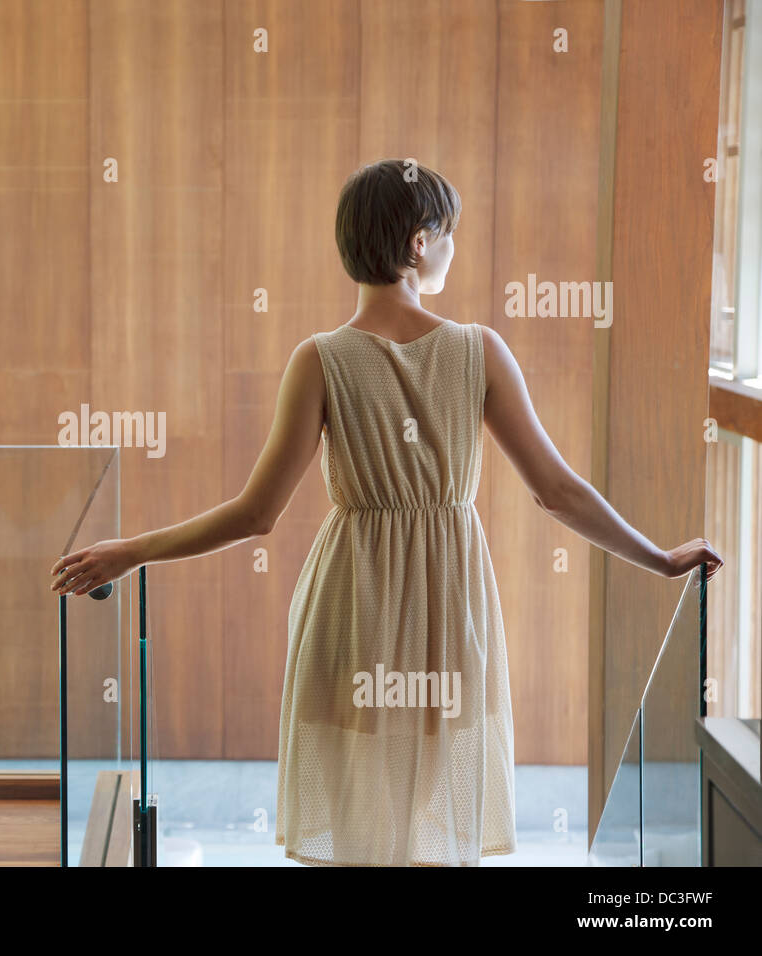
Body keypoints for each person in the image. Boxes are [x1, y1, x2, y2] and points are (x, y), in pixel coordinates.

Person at [49, 158, 723, 866]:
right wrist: (659, 557)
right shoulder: (478, 351)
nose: (454, 245)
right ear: (418, 243)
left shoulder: (319, 359)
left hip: (352, 602)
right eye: (448, 230)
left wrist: (133, 550)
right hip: (446, 605)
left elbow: (255, 513)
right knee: (428, 822)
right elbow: (557, 491)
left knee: (357, 826)